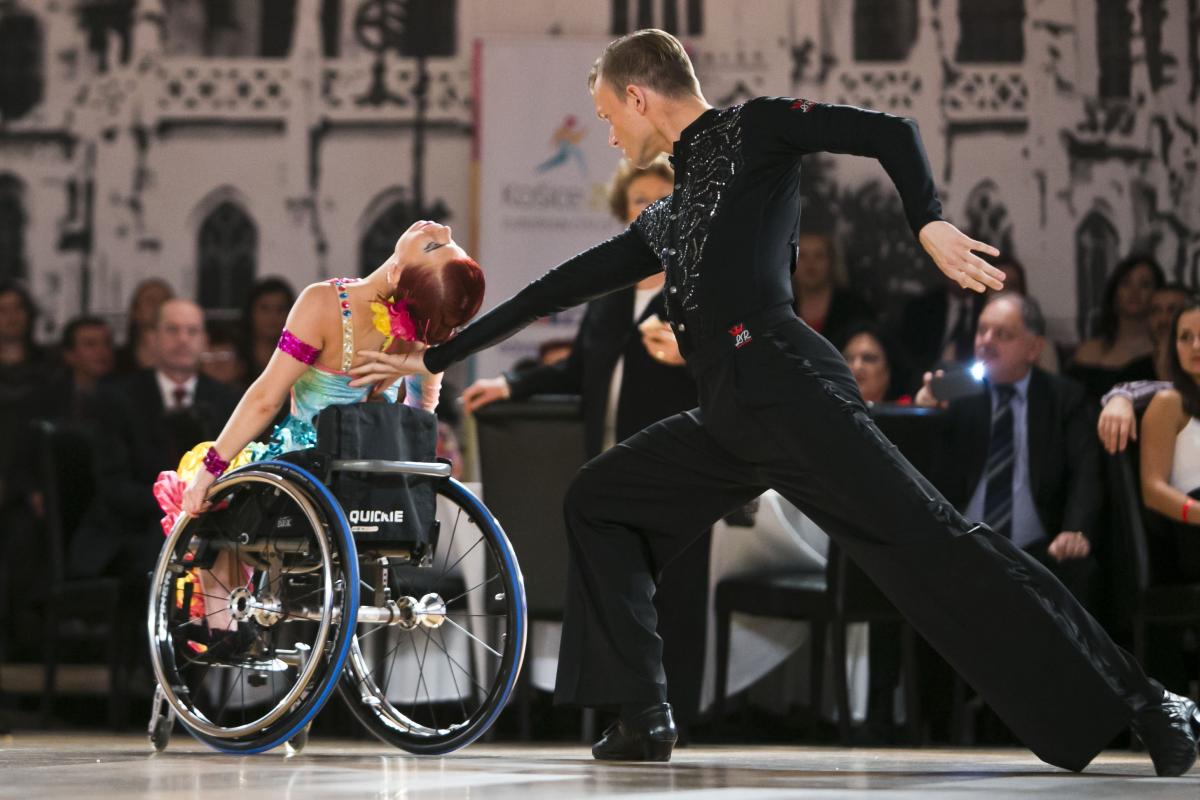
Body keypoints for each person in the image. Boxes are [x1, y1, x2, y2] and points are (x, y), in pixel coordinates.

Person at [349, 29, 1197, 774]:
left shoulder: (755, 130)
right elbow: (558, 285)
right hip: (728, 414)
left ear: (640, 96)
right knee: (602, 501)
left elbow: (889, 130)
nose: (607, 132)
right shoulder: (671, 215)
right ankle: (642, 714)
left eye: (610, 113)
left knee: (943, 552)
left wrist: (929, 220)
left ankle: (1148, 704)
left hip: (793, 391)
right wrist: (439, 353)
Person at [463, 156, 708, 727]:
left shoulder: (699, 287)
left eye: (660, 202)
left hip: (679, 469)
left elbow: (733, 371)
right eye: (637, 204)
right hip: (610, 466)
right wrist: (509, 382)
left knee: (677, 598)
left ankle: (683, 719)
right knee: (620, 599)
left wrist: (687, 351)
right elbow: (577, 370)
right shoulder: (613, 290)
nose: (648, 212)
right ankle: (626, 719)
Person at [169, 222, 483, 635]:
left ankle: (222, 629)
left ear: (396, 274)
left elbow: (266, 398)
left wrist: (210, 469)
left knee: (200, 487)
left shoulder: (325, 304)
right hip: (377, 485)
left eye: (433, 245)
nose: (441, 228)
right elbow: (419, 413)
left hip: (307, 475)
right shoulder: (427, 329)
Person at [916, 294, 1102, 609]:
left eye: (1002, 334)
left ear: (1033, 348)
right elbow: (924, 459)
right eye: (982, 331)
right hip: (963, 540)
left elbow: (1086, 471)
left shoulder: (1063, 398)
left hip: (1039, 549)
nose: (986, 342)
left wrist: (1076, 529)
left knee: (1081, 570)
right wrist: (927, 408)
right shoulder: (955, 389)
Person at [1095, 283, 1193, 455]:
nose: (1164, 319)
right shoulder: (1131, 372)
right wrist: (1120, 397)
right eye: (1156, 311)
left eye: (1173, 310)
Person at [1067, 255, 1164, 401]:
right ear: (1114, 292)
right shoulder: (1088, 349)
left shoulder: (1162, 353)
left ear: (1157, 294)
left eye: (1144, 284)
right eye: (1126, 283)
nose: (1134, 291)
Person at [791, 230, 875, 344]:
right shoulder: (779, 308)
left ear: (832, 262)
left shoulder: (854, 308)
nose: (810, 264)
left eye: (819, 256)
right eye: (802, 256)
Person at [833, 322, 913, 405]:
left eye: (868, 358)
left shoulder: (907, 411)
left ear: (890, 370)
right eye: (848, 359)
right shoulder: (826, 413)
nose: (857, 366)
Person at [239, 276, 296, 381]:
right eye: (265, 309)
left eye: (280, 309)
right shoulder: (236, 357)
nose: (273, 317)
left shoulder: (298, 360)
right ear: (251, 312)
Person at [114, 277, 173, 375]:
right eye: (151, 300)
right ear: (135, 312)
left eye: (165, 300)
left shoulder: (185, 359)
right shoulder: (116, 360)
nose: (159, 305)